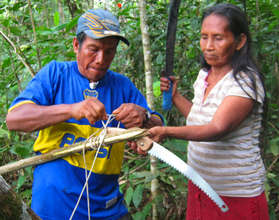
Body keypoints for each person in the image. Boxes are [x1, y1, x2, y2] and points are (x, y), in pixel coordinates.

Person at [6, 8, 163, 220]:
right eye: (93, 49)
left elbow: (156, 127)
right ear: (76, 45)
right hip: (54, 209)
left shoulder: (122, 86)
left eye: (109, 51)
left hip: (107, 210)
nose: (101, 59)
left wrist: (143, 117)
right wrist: (72, 109)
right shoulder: (55, 75)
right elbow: (15, 119)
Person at [145, 3, 269, 220]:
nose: (208, 46)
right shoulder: (205, 75)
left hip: (235, 195)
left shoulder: (246, 81)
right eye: (204, 37)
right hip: (200, 186)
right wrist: (175, 97)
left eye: (218, 38)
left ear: (239, 41)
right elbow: (199, 118)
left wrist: (166, 131)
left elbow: (217, 128)